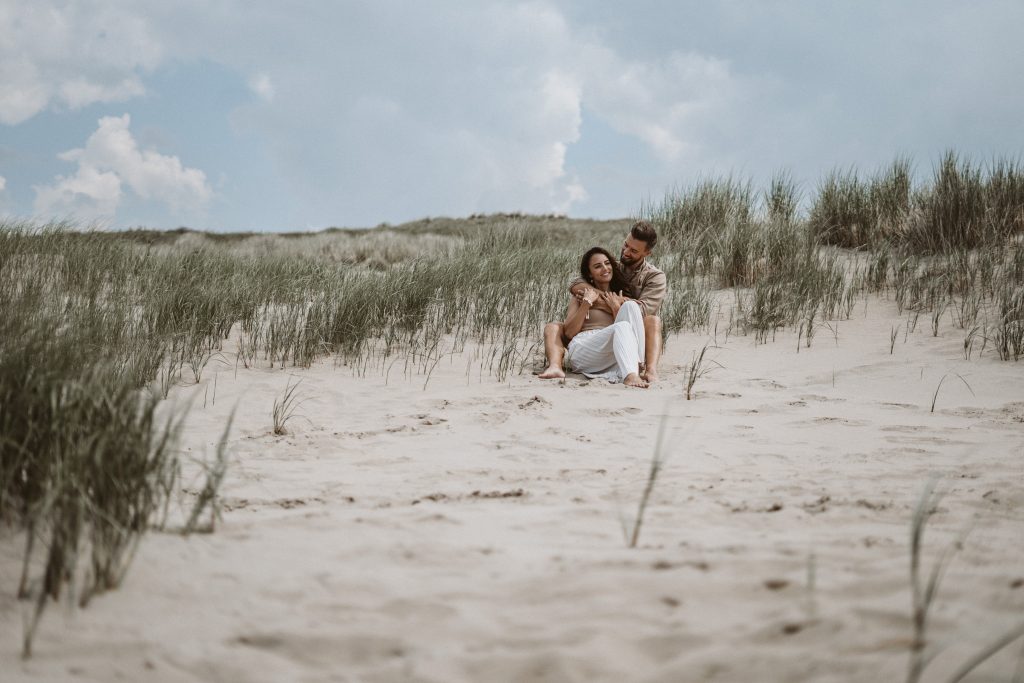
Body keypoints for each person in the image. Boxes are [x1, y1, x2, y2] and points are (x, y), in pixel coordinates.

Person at [539, 221, 667, 382]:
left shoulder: (654, 276)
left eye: (633, 251)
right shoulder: (611, 271)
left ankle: (646, 369)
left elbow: (641, 311)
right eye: (625, 245)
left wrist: (616, 306)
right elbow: (575, 284)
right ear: (590, 274)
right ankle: (555, 366)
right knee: (553, 326)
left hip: (621, 337)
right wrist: (591, 301)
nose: (626, 252)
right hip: (589, 343)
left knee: (646, 317)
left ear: (647, 253)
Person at [559, 247, 649, 388]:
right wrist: (586, 304)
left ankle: (635, 366)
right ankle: (631, 375)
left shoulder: (620, 298)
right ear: (590, 273)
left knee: (631, 306)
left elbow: (625, 334)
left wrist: (615, 308)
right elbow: (569, 333)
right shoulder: (581, 296)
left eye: (607, 263)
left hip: (610, 352)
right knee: (623, 326)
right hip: (584, 349)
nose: (605, 268)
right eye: (597, 266)